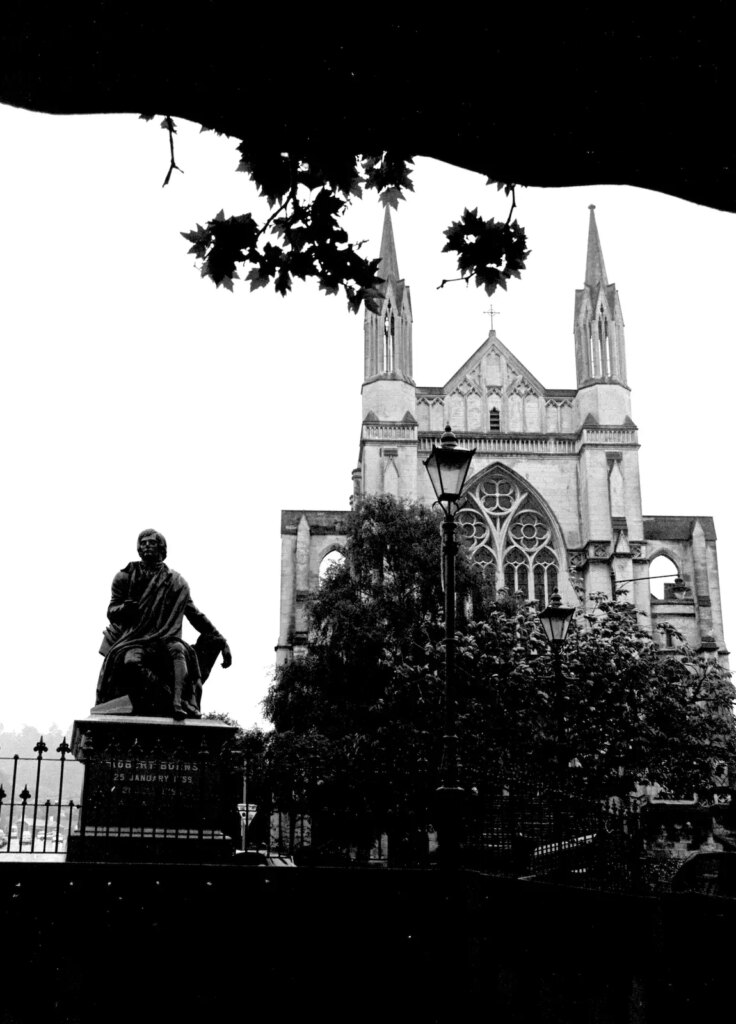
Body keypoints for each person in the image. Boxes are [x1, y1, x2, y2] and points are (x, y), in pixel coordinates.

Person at [96, 529, 232, 719]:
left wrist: (222, 640)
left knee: (178, 650)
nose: (146, 546)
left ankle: (179, 701)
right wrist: (124, 609)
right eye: (142, 543)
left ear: (162, 547)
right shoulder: (125, 576)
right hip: (135, 639)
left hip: (166, 638)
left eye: (151, 542)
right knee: (131, 661)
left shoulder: (176, 582)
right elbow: (111, 611)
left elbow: (195, 615)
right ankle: (173, 698)